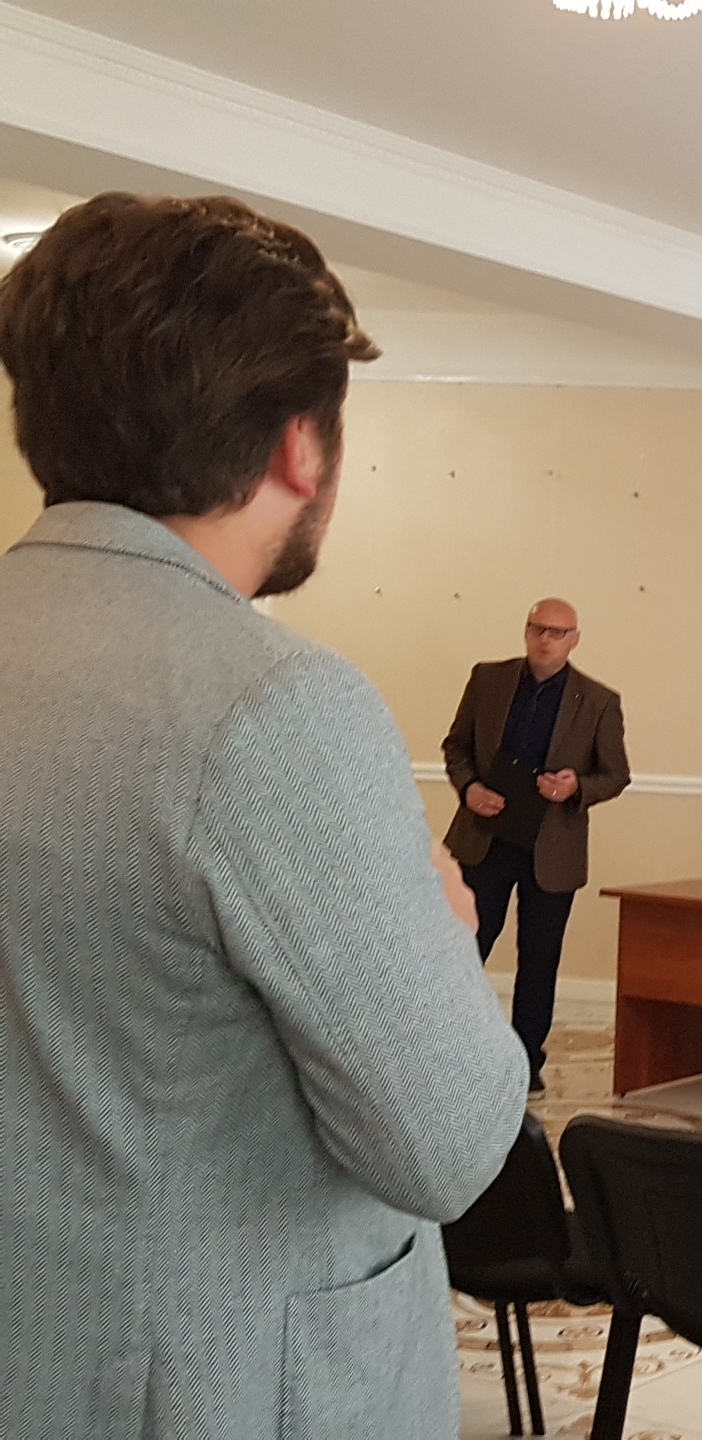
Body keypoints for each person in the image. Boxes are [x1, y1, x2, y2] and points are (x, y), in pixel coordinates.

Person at [0, 193, 528, 1437]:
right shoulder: (276, 708)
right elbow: (449, 1145)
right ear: (303, 446)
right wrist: (446, 930)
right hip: (208, 1387)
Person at [441, 597, 632, 1092]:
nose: (545, 639)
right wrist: (469, 789)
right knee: (463, 950)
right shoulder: (488, 679)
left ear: (574, 640)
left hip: (551, 850)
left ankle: (527, 1063)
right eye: (537, 629)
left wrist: (576, 787)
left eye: (556, 632)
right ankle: (448, 1051)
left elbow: (616, 774)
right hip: (485, 839)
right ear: (526, 632)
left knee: (539, 960)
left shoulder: (598, 701)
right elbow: (456, 747)